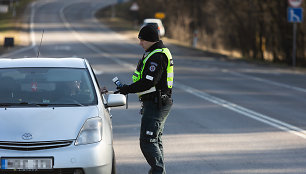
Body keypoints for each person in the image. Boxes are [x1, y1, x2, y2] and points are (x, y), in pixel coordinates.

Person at [115, 24, 174, 174]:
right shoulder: (153, 52)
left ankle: (157, 172)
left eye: (142, 40)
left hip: (157, 103)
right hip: (156, 102)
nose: (140, 43)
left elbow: (148, 82)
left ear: (151, 40)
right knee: (155, 141)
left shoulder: (157, 56)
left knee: (147, 142)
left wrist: (127, 89)